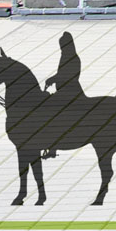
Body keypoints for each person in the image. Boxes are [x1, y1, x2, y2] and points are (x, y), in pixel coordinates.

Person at [41, 31, 82, 159]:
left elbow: (67, 75)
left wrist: (53, 79)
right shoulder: (65, 56)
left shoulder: (72, 58)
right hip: (64, 90)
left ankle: (52, 146)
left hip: (70, 91)